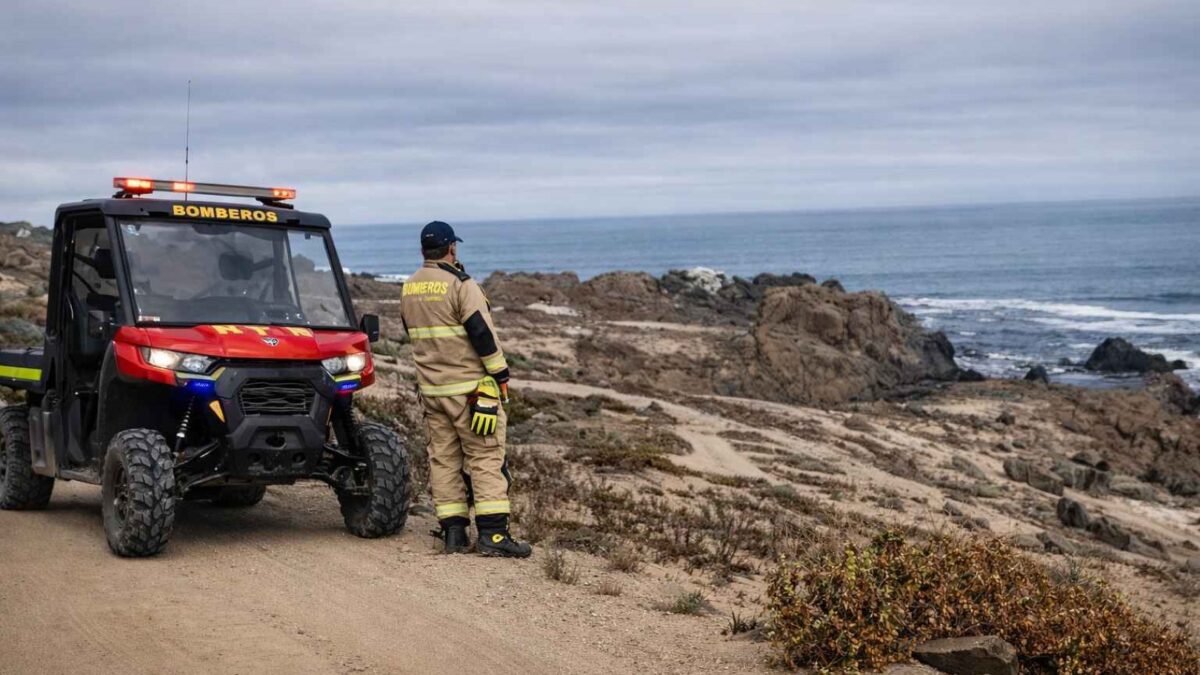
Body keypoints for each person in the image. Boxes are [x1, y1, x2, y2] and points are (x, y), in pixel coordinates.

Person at [398, 221, 532, 557]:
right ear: (451, 248)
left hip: (432, 392)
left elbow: (412, 333)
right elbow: (481, 333)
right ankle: (494, 536)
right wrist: (500, 373)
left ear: (423, 250)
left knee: (443, 460)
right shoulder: (461, 284)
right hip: (470, 392)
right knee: (485, 457)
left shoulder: (409, 287)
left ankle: (454, 534)